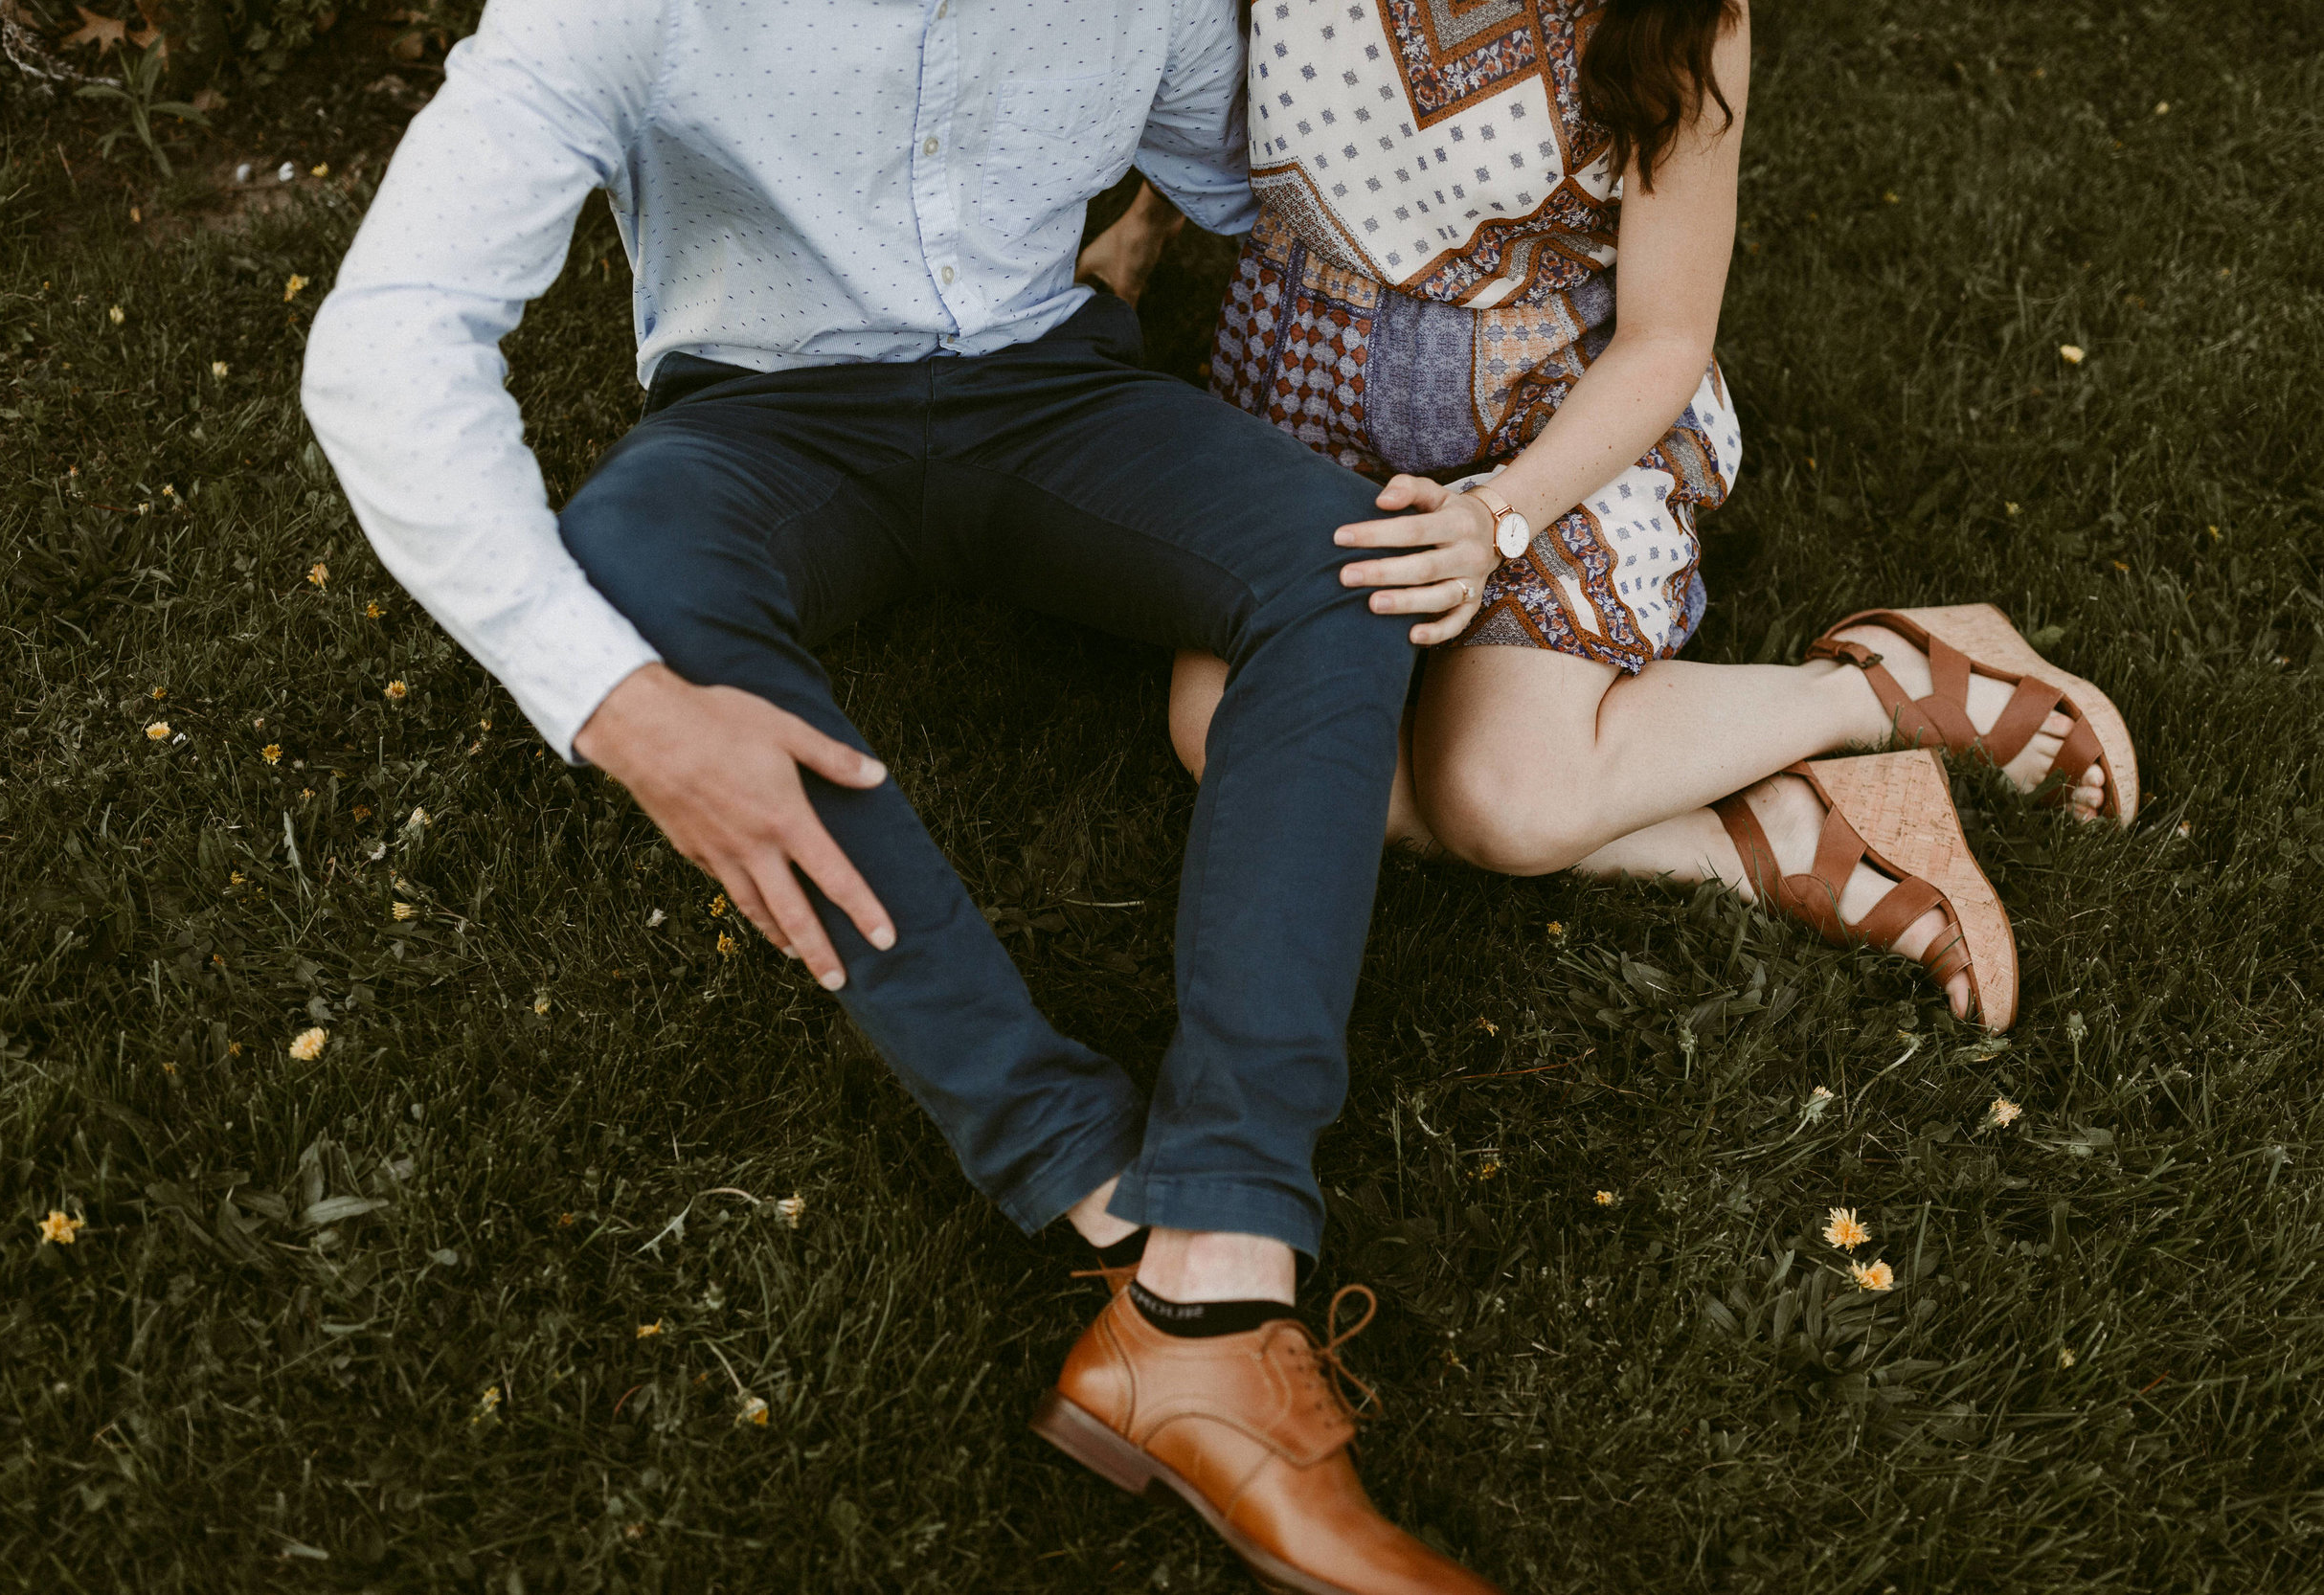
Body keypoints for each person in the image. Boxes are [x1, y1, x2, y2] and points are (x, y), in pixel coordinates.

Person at [302, 2, 1505, 1589]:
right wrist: (629, 713)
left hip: (1051, 393)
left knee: (1341, 566)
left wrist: (1586, 383)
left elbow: (1269, 180)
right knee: (630, 571)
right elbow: (384, 339)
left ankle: (1217, 1262)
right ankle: (1087, 1167)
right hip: (760, 425)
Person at [1089, 0, 2136, 1032]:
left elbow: (1664, 340)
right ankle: (1774, 826)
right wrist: (1141, 232)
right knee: (1227, 733)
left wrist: (1497, 517)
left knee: (1504, 800)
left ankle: (1872, 687)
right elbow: (1197, 60)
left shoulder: (1679, 19)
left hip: (1549, 425)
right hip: (1309, 401)